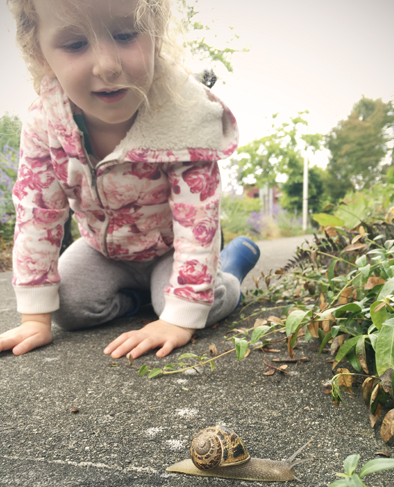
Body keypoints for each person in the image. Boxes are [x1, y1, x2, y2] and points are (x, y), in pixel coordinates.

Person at [0, 0, 260, 361]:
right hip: (103, 250)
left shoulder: (184, 115)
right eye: (76, 44)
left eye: (124, 35)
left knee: (195, 306)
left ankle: (230, 268)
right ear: (40, 55)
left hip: (173, 248)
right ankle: (140, 300)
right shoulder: (46, 123)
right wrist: (34, 318)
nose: (107, 66)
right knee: (69, 307)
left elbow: (196, 222)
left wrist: (178, 318)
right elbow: (37, 214)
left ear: (156, 36)